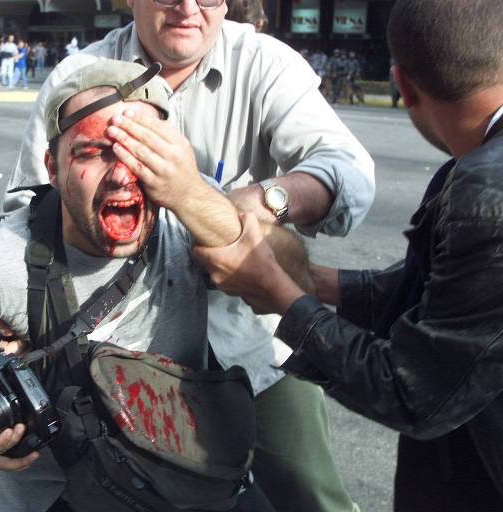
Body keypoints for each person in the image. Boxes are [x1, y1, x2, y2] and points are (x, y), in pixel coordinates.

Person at [0, 59, 310, 511]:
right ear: (52, 166)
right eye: (93, 152)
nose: (123, 174)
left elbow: (294, 279)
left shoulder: (189, 216)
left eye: (142, 152)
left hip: (186, 488)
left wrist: (193, 196)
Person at [3, 1, 375, 511]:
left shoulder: (263, 62)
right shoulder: (79, 75)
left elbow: (349, 174)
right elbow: (27, 205)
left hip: (246, 336)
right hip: (116, 343)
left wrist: (270, 199)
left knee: (308, 494)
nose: (188, 7)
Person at [194, 1, 503, 510]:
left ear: (401, 85)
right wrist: (315, 282)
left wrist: (281, 297)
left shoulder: (482, 190)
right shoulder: (475, 169)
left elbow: (413, 391)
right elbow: (449, 291)